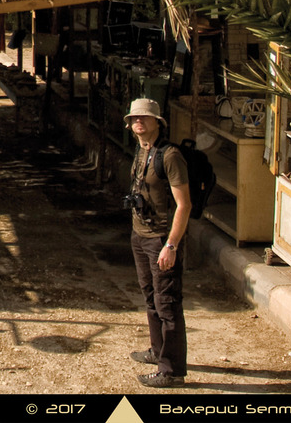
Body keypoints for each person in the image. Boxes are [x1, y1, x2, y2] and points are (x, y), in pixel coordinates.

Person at [125, 97, 191, 387]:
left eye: (144, 118)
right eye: (133, 118)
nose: (138, 122)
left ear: (157, 122)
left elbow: (184, 205)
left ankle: (172, 371)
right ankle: (157, 350)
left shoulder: (170, 155)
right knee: (151, 298)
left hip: (161, 239)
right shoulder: (142, 150)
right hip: (140, 234)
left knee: (167, 304)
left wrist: (171, 245)